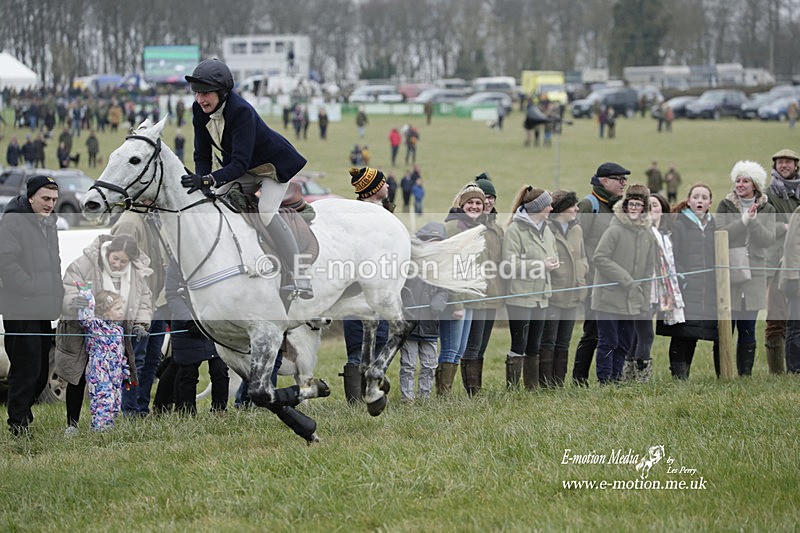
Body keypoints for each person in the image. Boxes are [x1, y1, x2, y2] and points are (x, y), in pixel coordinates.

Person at [182, 58, 312, 299]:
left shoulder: (241, 111)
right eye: (197, 92)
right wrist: (203, 182)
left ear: (222, 92)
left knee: (265, 211)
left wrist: (209, 180)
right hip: (242, 168)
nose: (200, 99)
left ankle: (299, 272)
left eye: (206, 93)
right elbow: (202, 154)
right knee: (214, 202)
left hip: (272, 167)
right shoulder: (198, 110)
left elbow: (239, 163)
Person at [56, 234, 153, 432]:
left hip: (114, 334)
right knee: (77, 375)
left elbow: (143, 299)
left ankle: (106, 422)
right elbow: (69, 289)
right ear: (107, 252)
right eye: (115, 258)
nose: (118, 264)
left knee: (113, 381)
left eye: (123, 261)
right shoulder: (85, 264)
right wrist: (76, 303)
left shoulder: (136, 273)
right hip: (82, 330)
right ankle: (71, 425)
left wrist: (141, 323)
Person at [0, 175, 64, 437]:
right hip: (19, 307)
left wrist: (56, 295)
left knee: (39, 372)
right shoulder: (13, 222)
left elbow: (54, 264)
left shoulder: (50, 224)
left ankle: (23, 414)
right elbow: (7, 264)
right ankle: (18, 425)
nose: (50, 204)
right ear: (31, 197)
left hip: (41, 308)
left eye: (54, 200)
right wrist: (33, 288)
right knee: (26, 369)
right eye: (45, 198)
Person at [591, 184, 655, 384]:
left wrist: (644, 299)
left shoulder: (647, 235)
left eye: (639, 205)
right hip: (608, 297)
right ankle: (605, 381)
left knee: (625, 342)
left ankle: (616, 380)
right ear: (625, 206)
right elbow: (600, 258)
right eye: (631, 204)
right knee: (608, 341)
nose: (634, 208)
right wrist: (625, 278)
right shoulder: (614, 230)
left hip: (633, 300)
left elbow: (648, 271)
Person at [715, 161, 775, 376]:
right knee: (726, 326)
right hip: (729, 271)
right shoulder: (725, 205)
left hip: (755, 274)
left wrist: (755, 221)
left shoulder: (768, 208)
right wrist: (743, 220)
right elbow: (720, 232)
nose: (740, 184)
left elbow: (768, 239)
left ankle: (745, 374)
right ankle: (723, 372)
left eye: (745, 180)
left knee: (748, 326)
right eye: (737, 180)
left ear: (755, 185)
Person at [340, 167, 393, 403]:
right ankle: (355, 402)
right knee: (356, 348)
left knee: (381, 342)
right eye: (384, 182)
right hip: (356, 293)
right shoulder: (356, 217)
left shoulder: (386, 214)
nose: (389, 186)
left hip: (381, 293)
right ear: (374, 188)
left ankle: (373, 389)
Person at [572, 162, 629, 386]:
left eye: (625, 179)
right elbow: (576, 242)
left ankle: (613, 376)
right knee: (593, 332)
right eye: (619, 179)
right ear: (604, 181)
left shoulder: (619, 206)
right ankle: (579, 379)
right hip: (594, 282)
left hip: (617, 282)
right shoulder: (589, 205)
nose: (624, 183)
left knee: (616, 333)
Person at [657, 184, 718, 379]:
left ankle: (686, 372)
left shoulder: (713, 224)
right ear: (689, 200)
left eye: (704, 197)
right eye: (696, 197)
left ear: (710, 202)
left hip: (705, 288)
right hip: (684, 286)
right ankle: (678, 376)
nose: (700, 200)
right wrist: (683, 279)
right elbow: (672, 254)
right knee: (681, 332)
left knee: (694, 332)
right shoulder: (679, 223)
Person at [623, 193, 685, 383]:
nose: (652, 210)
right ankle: (641, 377)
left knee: (639, 333)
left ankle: (629, 375)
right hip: (644, 290)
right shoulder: (642, 232)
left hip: (659, 290)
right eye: (648, 206)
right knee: (644, 333)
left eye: (656, 206)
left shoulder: (665, 234)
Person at [503, 185, 560, 390]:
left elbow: (552, 254)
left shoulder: (547, 230)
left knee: (534, 345)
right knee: (519, 344)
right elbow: (508, 265)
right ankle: (513, 389)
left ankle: (531, 387)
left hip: (542, 296)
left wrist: (553, 263)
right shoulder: (514, 230)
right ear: (537, 208)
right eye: (548, 206)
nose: (551, 210)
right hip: (520, 296)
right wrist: (540, 265)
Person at [112, 210, 168, 416]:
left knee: (153, 358)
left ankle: (141, 408)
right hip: (137, 304)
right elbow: (117, 263)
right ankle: (129, 410)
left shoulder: (151, 218)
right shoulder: (130, 222)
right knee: (135, 359)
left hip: (156, 301)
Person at [439, 184, 486, 394]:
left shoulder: (476, 228)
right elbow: (448, 268)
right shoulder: (453, 228)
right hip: (454, 298)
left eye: (478, 203)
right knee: (450, 348)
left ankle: (446, 392)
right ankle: (443, 394)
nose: (474, 206)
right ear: (461, 204)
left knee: (459, 349)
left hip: (470, 297)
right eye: (470, 202)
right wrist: (456, 302)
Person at [460, 173, 505, 395]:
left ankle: (477, 386)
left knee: (483, 345)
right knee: (472, 344)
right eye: (483, 197)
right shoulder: (468, 226)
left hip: (493, 292)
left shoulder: (497, 229)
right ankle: (471, 390)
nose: (487, 201)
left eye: (491, 197)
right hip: (474, 293)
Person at [165, 259, 229, 414]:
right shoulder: (175, 265)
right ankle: (186, 412)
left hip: (212, 323)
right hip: (186, 326)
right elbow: (172, 295)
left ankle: (219, 410)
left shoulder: (214, 259)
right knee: (187, 372)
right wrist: (189, 320)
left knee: (220, 369)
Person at [540, 190, 588, 387]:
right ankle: (545, 383)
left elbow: (583, 256)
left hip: (573, 293)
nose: (576, 209)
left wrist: (582, 270)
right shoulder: (546, 229)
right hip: (553, 294)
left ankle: (558, 383)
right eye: (572, 205)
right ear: (561, 209)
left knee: (564, 341)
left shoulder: (577, 229)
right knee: (548, 341)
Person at [399, 223, 449, 401]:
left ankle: (425, 396)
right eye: (430, 241)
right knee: (408, 364)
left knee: (429, 364)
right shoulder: (408, 264)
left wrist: (439, 302)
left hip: (430, 325)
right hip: (409, 324)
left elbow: (444, 290)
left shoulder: (441, 266)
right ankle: (407, 398)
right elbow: (399, 287)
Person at [75, 285, 133, 432]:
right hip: (100, 371)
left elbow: (121, 354)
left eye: (121, 308)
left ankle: (109, 428)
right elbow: (85, 317)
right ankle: (99, 430)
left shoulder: (118, 330)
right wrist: (86, 296)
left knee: (115, 403)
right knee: (103, 401)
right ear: (106, 311)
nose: (121, 312)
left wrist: (125, 374)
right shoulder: (95, 326)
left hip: (116, 373)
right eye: (118, 309)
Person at [764, 149, 800, 374]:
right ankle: (777, 371)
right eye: (780, 162)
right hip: (777, 262)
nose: (784, 166)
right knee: (777, 317)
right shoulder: (769, 193)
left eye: (788, 162)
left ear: (796, 165)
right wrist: (786, 228)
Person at [781, 205, 800, 372]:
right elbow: (791, 246)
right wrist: (793, 278)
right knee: (796, 325)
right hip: (797, 279)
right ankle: (795, 369)